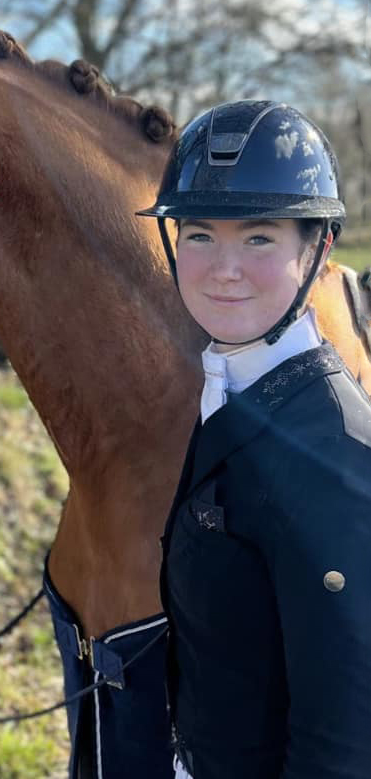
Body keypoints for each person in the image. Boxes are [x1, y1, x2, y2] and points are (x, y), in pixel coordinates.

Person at [136, 100, 371, 779]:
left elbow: (346, 748)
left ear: (318, 248)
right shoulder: (229, 384)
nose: (222, 269)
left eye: (260, 238)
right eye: (200, 235)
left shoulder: (336, 457)